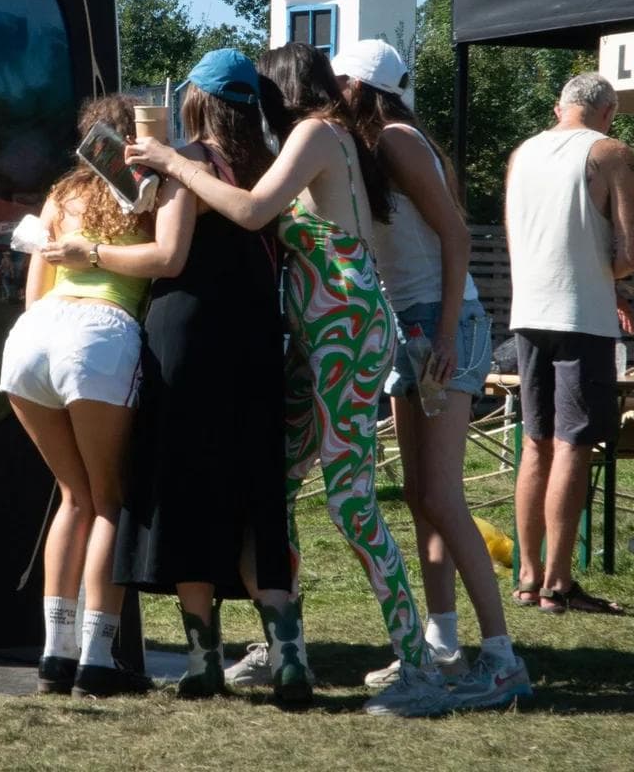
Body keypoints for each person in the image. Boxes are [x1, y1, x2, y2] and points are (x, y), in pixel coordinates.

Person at [126, 44, 450, 718]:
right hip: (321, 332)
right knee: (272, 487)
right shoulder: (321, 137)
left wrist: (171, 161)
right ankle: (285, 649)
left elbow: (250, 212)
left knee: (352, 503)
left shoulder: (313, 131)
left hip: (343, 328)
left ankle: (420, 666)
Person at [43, 51, 302, 704]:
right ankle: (289, 655)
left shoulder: (188, 160)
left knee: (185, 492)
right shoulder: (268, 168)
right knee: (259, 497)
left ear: (195, 101)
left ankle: (202, 660)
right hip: (257, 341)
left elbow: (167, 254)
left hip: (186, 337)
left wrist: (92, 248)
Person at [327, 39, 529, 709]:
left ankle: (500, 659)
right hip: (414, 327)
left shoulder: (398, 140)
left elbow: (457, 235)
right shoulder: (377, 142)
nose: (333, 89)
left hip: (443, 327)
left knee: (442, 497)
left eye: (342, 80)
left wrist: (443, 333)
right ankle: (441, 646)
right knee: (421, 498)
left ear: (363, 86)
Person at [0, 95, 156, 698]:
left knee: (72, 498)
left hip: (33, 338)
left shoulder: (59, 196)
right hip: (100, 335)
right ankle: (97, 656)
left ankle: (53, 653)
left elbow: (35, 288)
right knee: (110, 502)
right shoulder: (149, 193)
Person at [505, 72, 634, 617]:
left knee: (534, 442)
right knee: (571, 444)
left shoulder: (522, 154)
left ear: (560, 107)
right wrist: (605, 275)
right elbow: (631, 251)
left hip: (528, 310)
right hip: (581, 314)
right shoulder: (610, 152)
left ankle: (527, 574)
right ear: (608, 111)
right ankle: (559, 583)